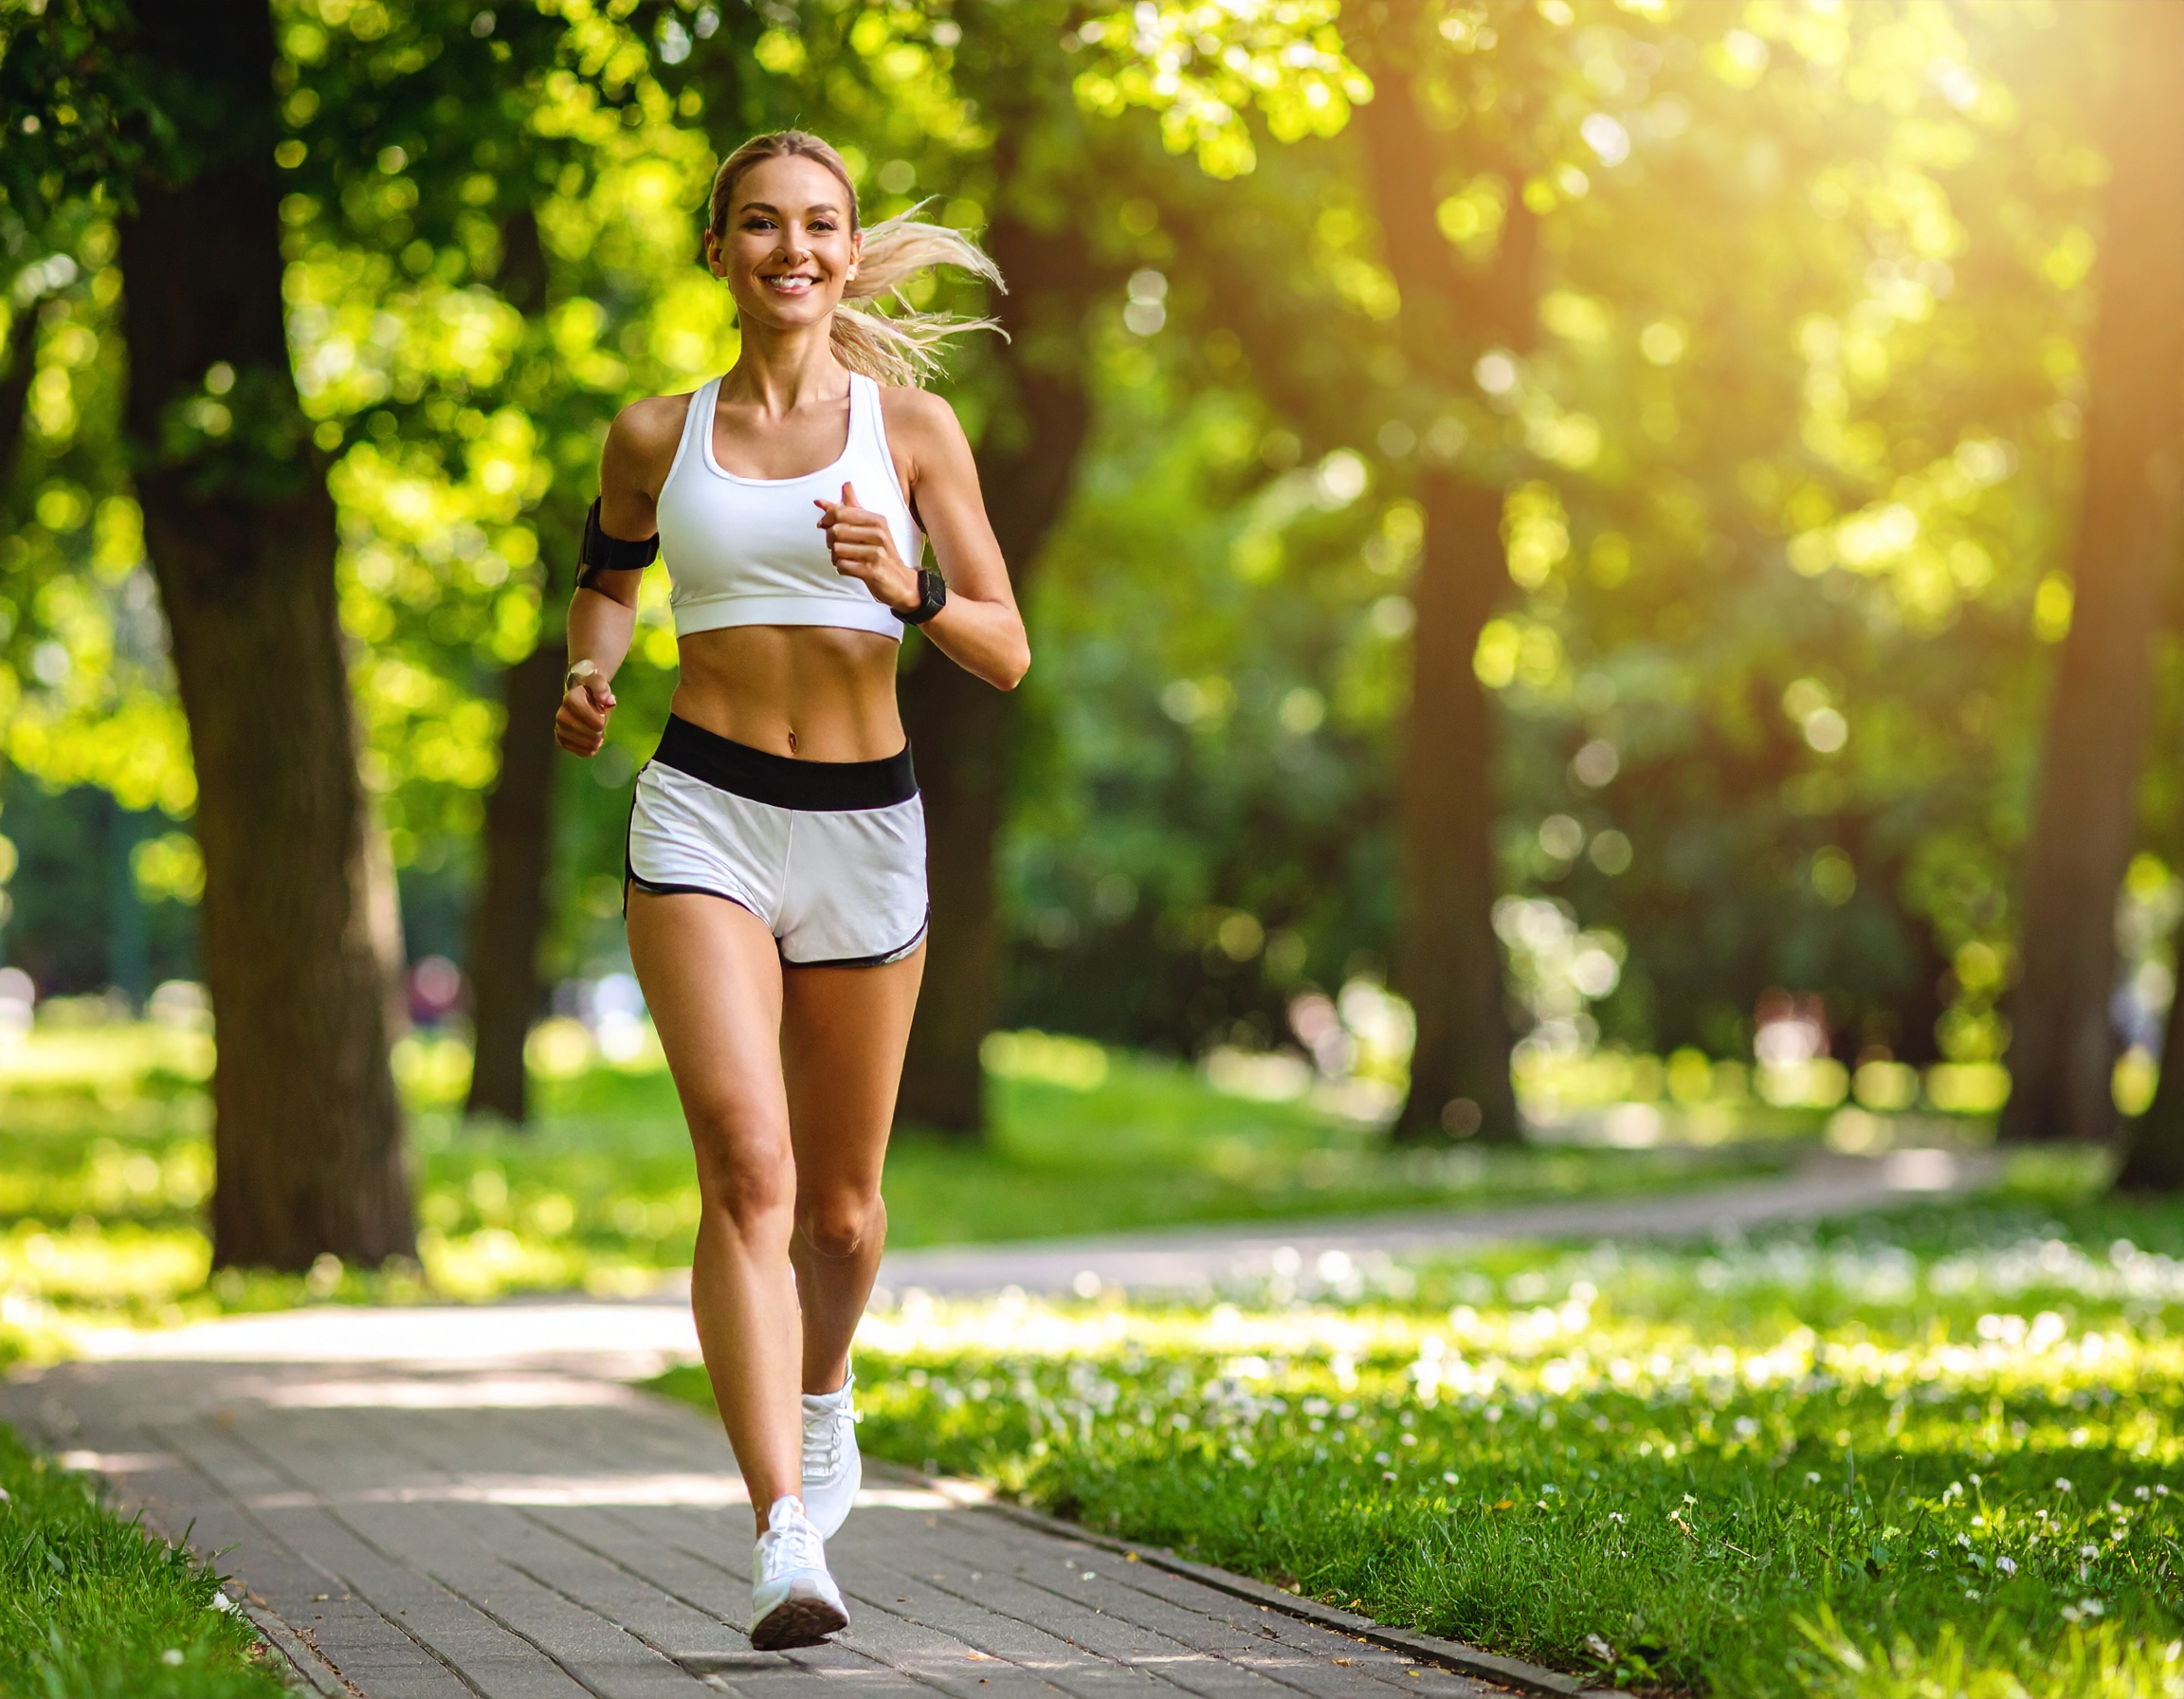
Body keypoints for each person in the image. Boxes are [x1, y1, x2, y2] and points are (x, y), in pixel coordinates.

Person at [553, 130, 1028, 1651]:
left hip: (865, 831)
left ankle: (826, 1396)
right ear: (719, 251)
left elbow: (1008, 648)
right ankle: (780, 1535)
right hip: (705, 814)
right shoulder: (655, 432)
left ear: (848, 252)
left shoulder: (914, 431)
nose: (793, 249)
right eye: (760, 224)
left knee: (839, 1212)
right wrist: (592, 671)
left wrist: (911, 588)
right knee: (748, 1171)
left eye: (819, 225)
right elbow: (611, 578)